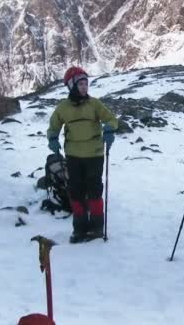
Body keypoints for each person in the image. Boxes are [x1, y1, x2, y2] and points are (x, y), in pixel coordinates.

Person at [47, 66, 118, 243]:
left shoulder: (94, 104)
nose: (85, 87)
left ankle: (96, 227)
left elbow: (111, 119)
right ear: (71, 86)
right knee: (76, 192)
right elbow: (54, 126)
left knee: (94, 191)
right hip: (73, 155)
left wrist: (110, 129)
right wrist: (52, 138)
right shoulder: (63, 108)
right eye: (81, 84)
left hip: (94, 154)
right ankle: (79, 228)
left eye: (86, 83)